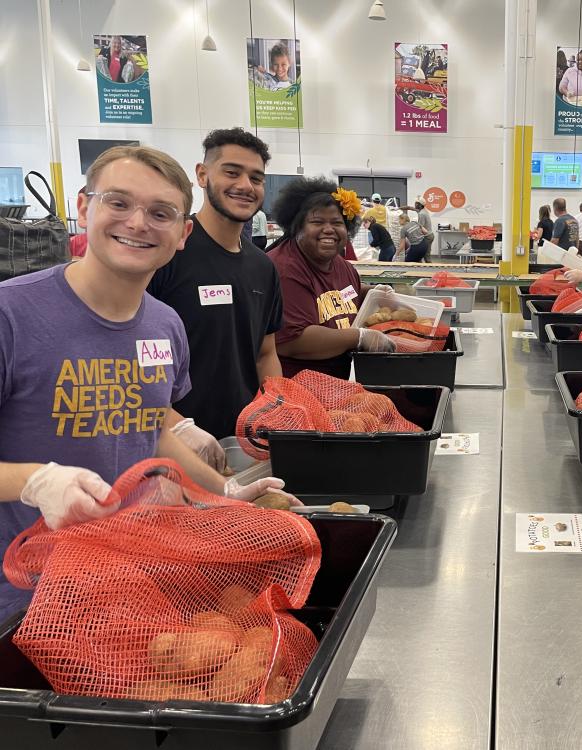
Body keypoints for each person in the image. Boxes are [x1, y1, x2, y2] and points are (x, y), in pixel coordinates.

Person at [0, 145, 291, 622]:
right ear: (82, 207)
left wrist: (224, 491)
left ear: (182, 233)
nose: (138, 223)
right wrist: (33, 482)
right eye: (118, 203)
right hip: (23, 599)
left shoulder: (165, 325)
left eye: (160, 213)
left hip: (126, 584)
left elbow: (150, 427)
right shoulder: (11, 315)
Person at [148, 128, 283, 451]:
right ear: (202, 174)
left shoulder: (263, 267)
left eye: (256, 178)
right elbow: (129, 356)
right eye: (232, 172)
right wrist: (177, 428)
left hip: (242, 445)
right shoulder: (168, 252)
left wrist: (276, 408)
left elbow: (266, 353)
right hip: (169, 446)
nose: (245, 186)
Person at [267, 178, 395, 380]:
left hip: (334, 387)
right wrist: (359, 336)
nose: (329, 229)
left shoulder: (342, 266)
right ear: (296, 227)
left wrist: (372, 292)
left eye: (337, 223)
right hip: (293, 393)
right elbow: (294, 341)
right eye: (317, 222)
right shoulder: (284, 269)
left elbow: (341, 294)